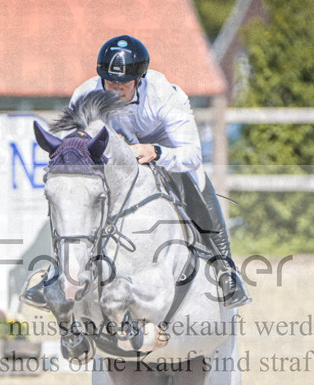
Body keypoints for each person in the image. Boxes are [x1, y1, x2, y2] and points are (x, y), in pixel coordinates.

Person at [21, 35, 251, 309]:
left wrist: (156, 152)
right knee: (74, 195)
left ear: (139, 80)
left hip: (163, 149)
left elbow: (191, 155)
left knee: (194, 177)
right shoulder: (85, 94)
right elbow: (78, 148)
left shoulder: (164, 94)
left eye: (124, 84)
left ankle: (224, 265)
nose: (115, 90)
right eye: (110, 82)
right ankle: (57, 273)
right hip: (115, 158)